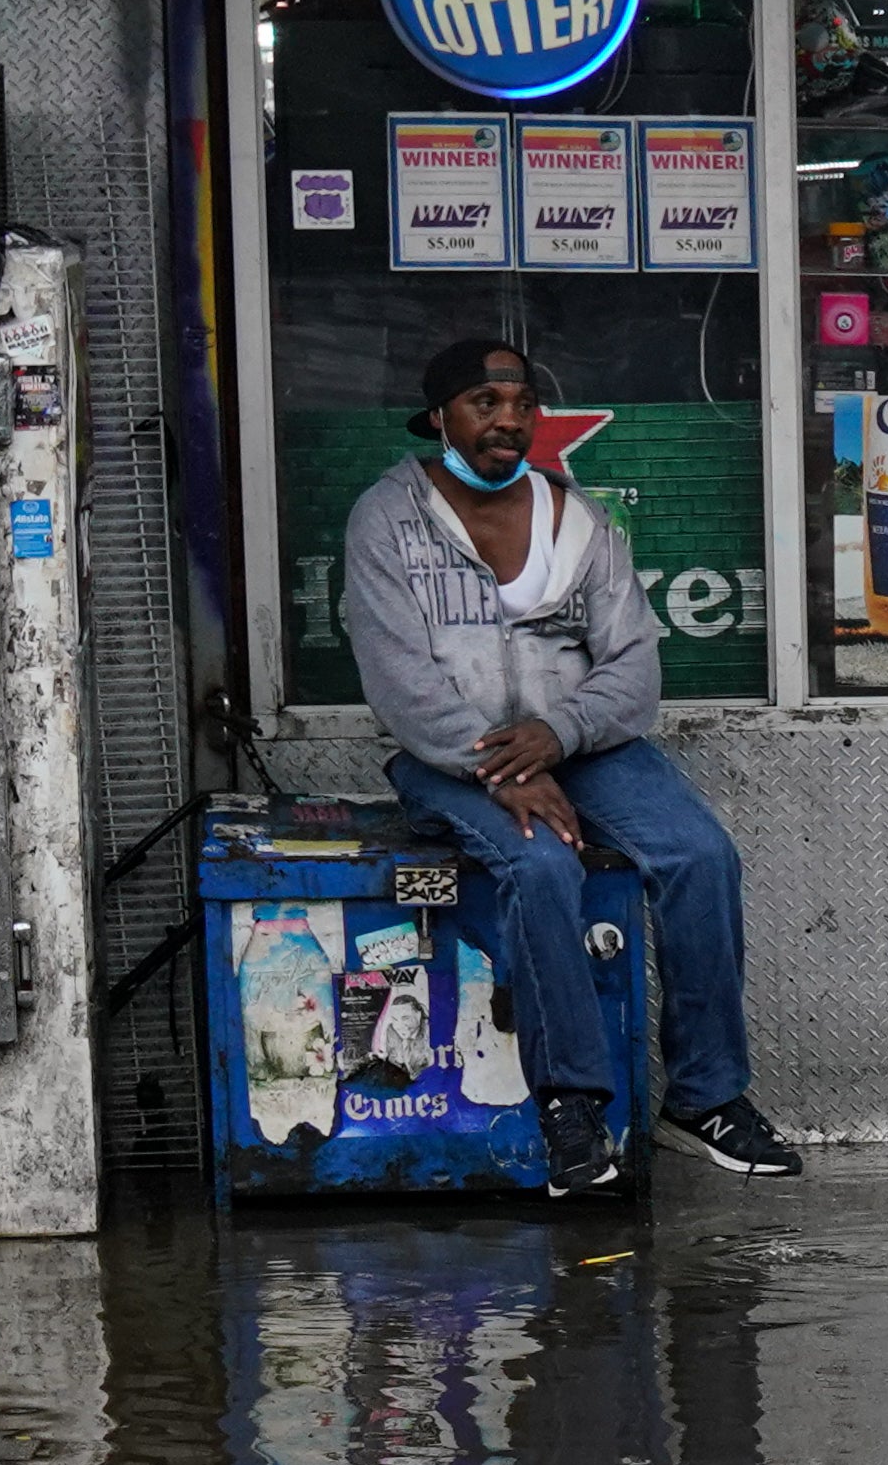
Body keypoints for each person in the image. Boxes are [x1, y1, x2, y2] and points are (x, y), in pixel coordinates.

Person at [335, 335, 791, 1186]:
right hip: (453, 755)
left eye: (521, 407)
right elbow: (402, 681)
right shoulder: (387, 520)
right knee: (541, 866)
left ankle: (704, 1096)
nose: (507, 422)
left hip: (578, 747)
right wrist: (502, 764)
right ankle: (572, 1106)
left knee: (701, 855)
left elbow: (635, 665)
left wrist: (559, 735)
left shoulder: (579, 521)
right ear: (440, 417)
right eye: (485, 404)